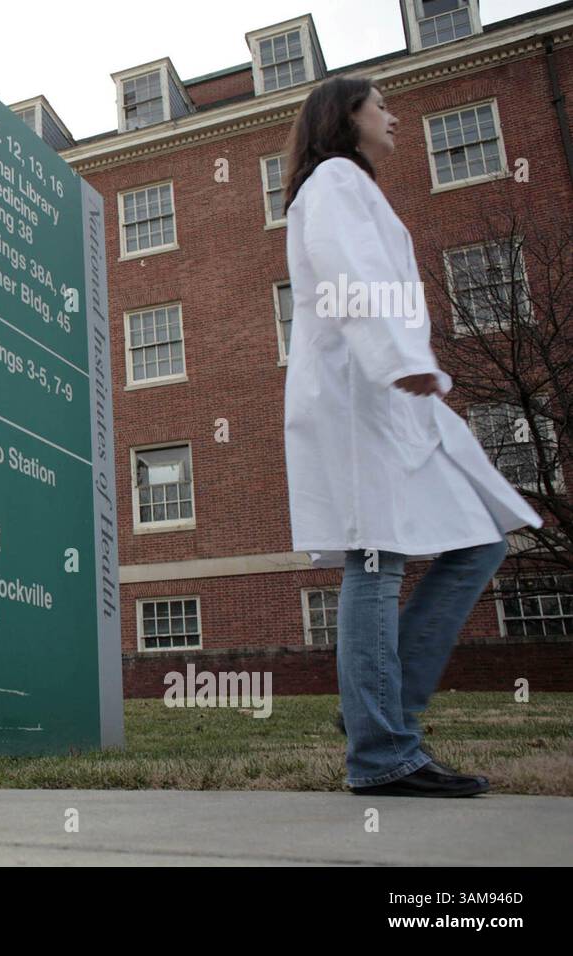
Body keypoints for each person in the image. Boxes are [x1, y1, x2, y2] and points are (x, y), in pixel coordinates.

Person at [282, 77, 542, 797]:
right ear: (347, 116)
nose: (393, 117)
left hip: (392, 397)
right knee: (376, 560)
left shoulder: (352, 186)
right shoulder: (334, 180)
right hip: (365, 394)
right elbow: (347, 275)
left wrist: (407, 363)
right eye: (382, 106)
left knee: (483, 537)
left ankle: (378, 715)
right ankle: (382, 753)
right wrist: (399, 359)